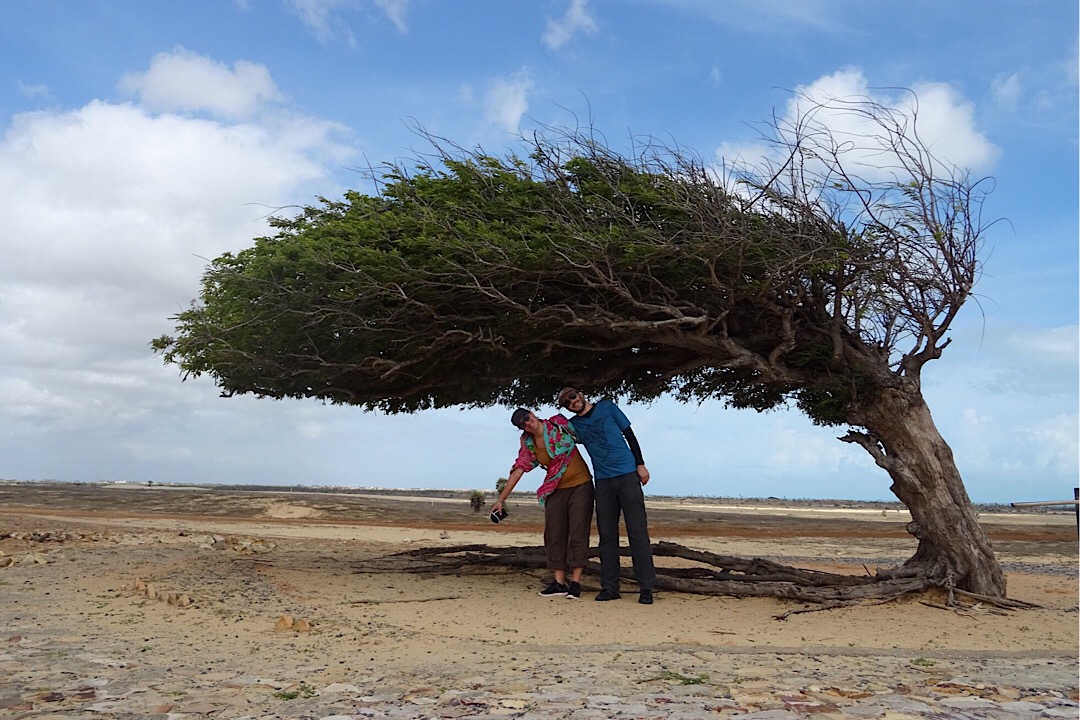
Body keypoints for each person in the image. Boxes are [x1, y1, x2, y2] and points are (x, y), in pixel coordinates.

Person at [557, 387, 656, 604]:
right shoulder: (574, 425)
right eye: (567, 403)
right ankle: (610, 587)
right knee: (607, 535)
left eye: (572, 397)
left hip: (627, 474)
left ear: (580, 394)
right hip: (603, 481)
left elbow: (629, 434)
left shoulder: (607, 407)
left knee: (637, 531)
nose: (572, 403)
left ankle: (646, 587)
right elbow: (552, 433)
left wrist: (640, 464)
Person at [491, 408, 595, 599]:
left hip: (580, 485)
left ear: (532, 413)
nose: (527, 423)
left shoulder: (558, 424)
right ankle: (559, 582)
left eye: (527, 418)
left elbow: (585, 436)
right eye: (522, 425)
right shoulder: (528, 443)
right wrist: (501, 499)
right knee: (554, 534)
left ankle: (576, 583)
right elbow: (519, 470)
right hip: (554, 489)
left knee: (578, 533)